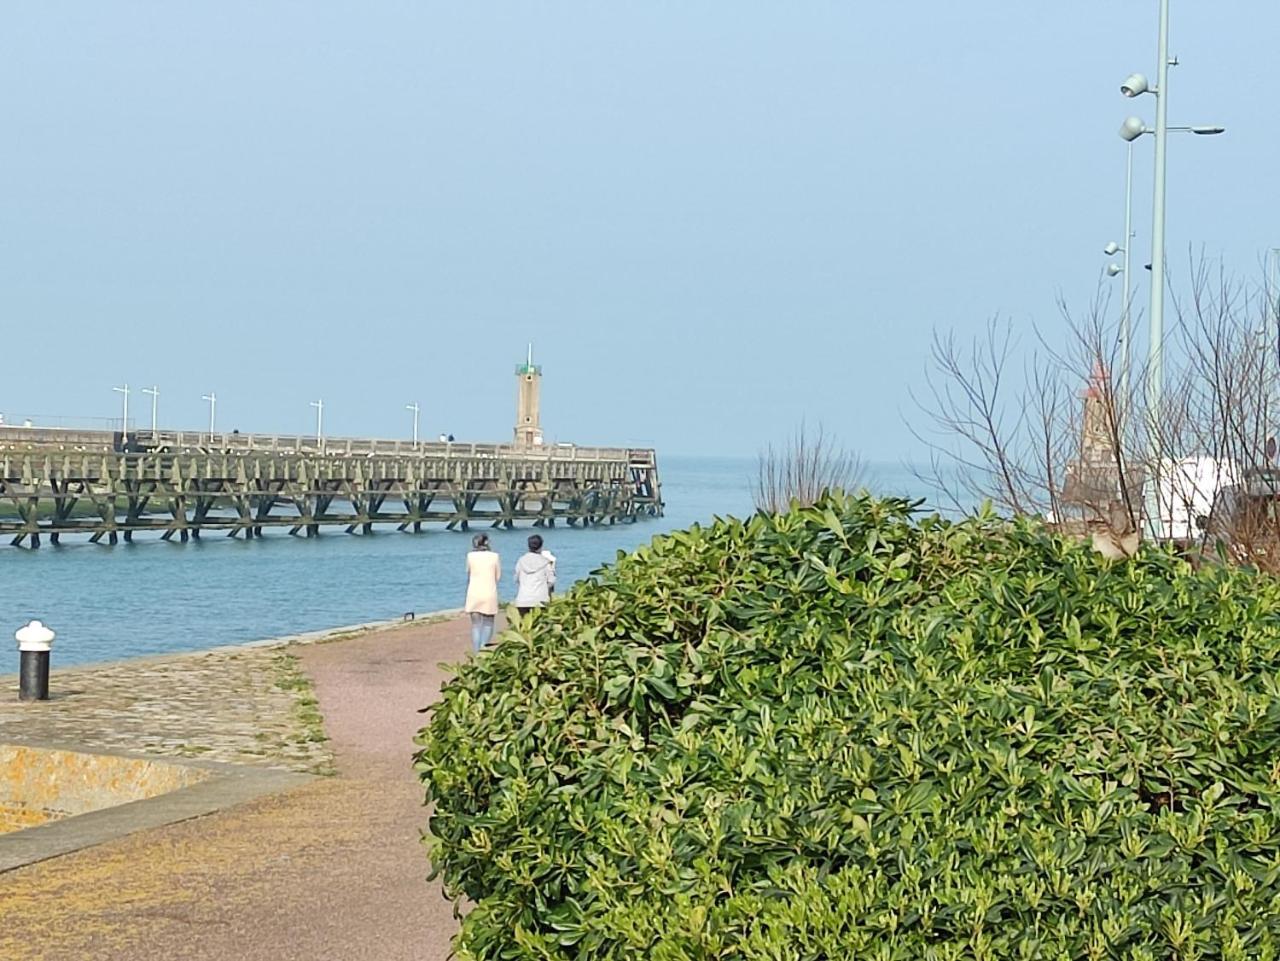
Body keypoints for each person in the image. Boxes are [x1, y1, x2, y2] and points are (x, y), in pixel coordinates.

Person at [464, 533, 501, 651]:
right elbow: (498, 576)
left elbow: (468, 572)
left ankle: (476, 651)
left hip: (474, 592)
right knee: (488, 623)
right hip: (489, 591)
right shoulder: (494, 556)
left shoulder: (470, 556)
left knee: (475, 625)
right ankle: (484, 648)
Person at [514, 534, 556, 618]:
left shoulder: (521, 561)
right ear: (541, 546)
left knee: (525, 623)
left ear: (528, 546)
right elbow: (551, 581)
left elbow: (516, 579)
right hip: (540, 600)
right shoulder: (545, 562)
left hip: (523, 599)